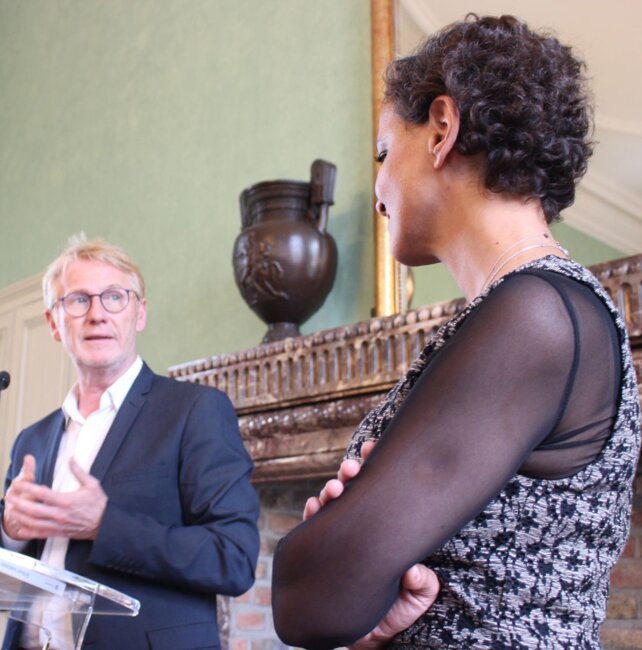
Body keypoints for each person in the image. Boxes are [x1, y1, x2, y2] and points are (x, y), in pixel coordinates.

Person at [271, 14, 640, 650]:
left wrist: (332, 545)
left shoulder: (538, 314)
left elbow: (309, 595)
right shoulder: (530, 311)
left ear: (442, 128)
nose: (378, 191)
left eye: (384, 152)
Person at [0, 236, 260, 650]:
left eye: (114, 297)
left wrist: (103, 525)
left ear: (140, 313)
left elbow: (233, 558)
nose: (97, 314)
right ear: (53, 323)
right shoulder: (33, 439)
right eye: (78, 300)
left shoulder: (195, 410)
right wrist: (10, 532)